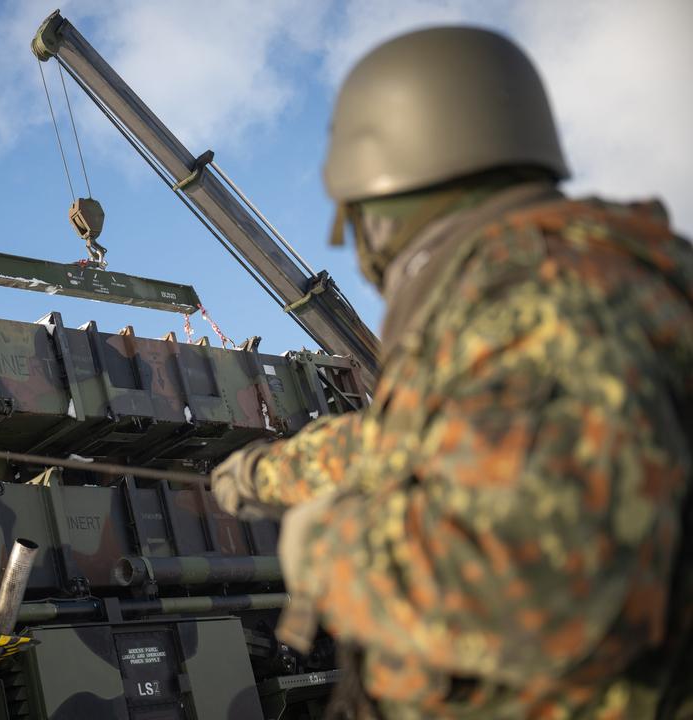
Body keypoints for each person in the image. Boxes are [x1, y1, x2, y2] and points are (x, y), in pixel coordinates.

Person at [212, 26, 692, 719]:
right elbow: (408, 441)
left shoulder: (527, 298)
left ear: (382, 207)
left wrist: (329, 549)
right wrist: (259, 475)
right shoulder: (608, 277)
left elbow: (539, 580)